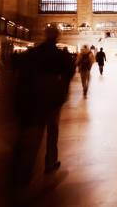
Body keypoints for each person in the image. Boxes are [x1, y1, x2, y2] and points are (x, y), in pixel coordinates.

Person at [12, 25, 75, 189]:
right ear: (58, 37)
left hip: (34, 97)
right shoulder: (60, 55)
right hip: (53, 97)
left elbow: (19, 69)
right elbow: (69, 72)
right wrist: (63, 91)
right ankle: (50, 162)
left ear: (44, 35)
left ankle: (25, 173)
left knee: (34, 133)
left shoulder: (33, 53)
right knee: (53, 130)